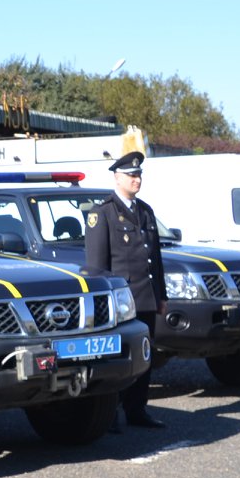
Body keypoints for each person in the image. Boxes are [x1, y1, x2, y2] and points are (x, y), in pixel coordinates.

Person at [83, 150, 167, 430]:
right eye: (131, 175)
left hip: (145, 295)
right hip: (121, 299)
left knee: (144, 354)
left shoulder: (145, 211)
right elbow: (96, 266)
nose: (137, 180)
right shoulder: (103, 213)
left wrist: (161, 295)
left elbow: (155, 258)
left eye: (139, 175)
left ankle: (137, 409)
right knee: (118, 358)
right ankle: (112, 413)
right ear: (117, 178)